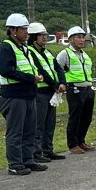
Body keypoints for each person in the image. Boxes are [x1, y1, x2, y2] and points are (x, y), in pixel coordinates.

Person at [0, 12, 45, 176]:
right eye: (23, 29)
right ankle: (15, 163)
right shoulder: (5, 48)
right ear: (12, 30)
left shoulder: (24, 48)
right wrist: (31, 78)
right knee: (16, 131)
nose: (26, 33)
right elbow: (7, 70)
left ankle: (28, 159)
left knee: (30, 129)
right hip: (14, 95)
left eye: (26, 29)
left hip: (28, 94)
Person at [28, 23, 66, 163]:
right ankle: (37, 153)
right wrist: (56, 85)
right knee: (39, 124)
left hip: (51, 92)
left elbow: (58, 68)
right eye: (41, 35)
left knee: (50, 123)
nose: (44, 37)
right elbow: (41, 71)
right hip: (40, 92)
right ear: (33, 37)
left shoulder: (47, 52)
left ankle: (48, 150)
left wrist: (62, 83)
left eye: (45, 35)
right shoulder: (31, 52)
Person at [56, 26, 96, 153]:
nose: (81, 40)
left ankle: (81, 141)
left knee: (86, 117)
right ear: (71, 39)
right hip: (74, 89)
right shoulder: (65, 54)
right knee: (75, 117)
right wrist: (61, 84)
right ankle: (73, 144)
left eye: (82, 37)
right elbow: (57, 70)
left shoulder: (84, 54)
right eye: (78, 37)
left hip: (87, 88)